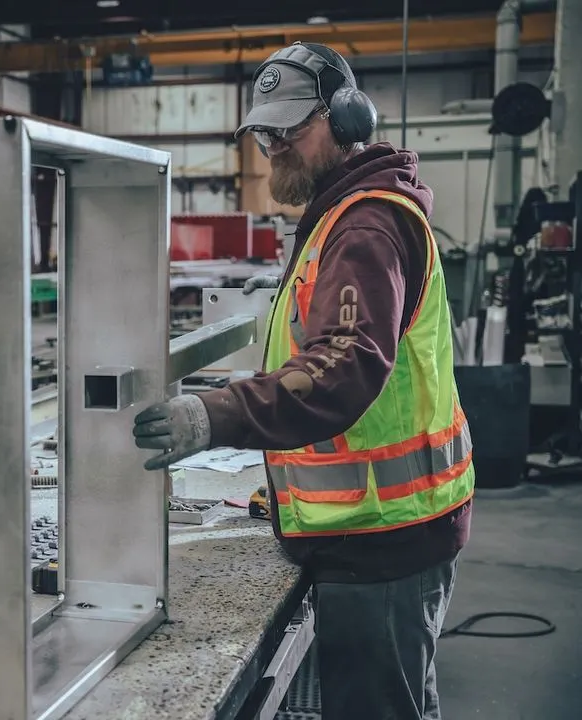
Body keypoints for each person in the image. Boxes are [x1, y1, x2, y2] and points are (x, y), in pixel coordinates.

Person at [132, 42, 474, 720]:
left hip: (386, 542)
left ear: (347, 121)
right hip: (380, 531)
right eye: (264, 131)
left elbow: (340, 371)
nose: (273, 146)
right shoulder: (340, 218)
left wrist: (212, 416)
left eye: (289, 128)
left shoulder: (367, 226)